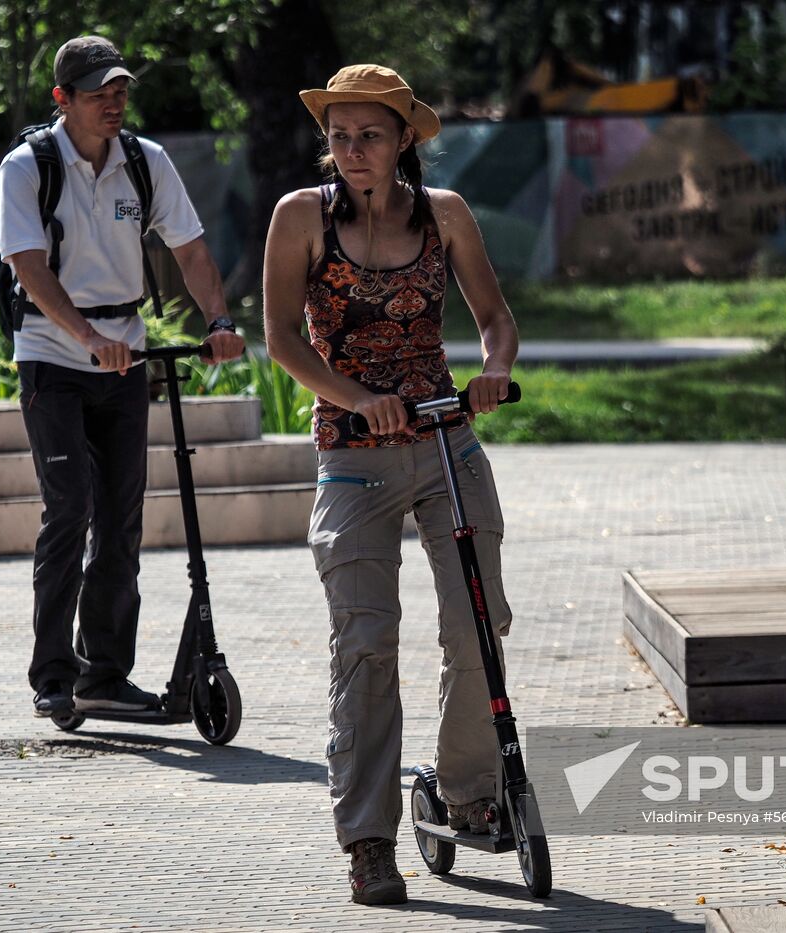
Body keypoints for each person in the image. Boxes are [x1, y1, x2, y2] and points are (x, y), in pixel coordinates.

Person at [262, 64, 519, 906]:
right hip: (351, 453)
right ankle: (369, 838)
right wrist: (359, 399)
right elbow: (282, 342)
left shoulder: (445, 216)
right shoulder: (299, 217)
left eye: (369, 135)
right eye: (338, 136)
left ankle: (467, 788)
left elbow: (494, 317)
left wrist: (494, 371)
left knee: (479, 626)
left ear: (405, 137)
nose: (351, 151)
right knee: (367, 643)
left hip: (447, 440)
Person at [0, 36, 245, 718]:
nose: (114, 101)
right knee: (70, 506)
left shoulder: (145, 162)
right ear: (63, 99)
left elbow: (190, 251)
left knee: (121, 518)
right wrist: (86, 337)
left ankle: (104, 670)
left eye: (120, 90)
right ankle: (53, 672)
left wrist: (218, 320)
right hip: (53, 353)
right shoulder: (28, 167)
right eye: (98, 92)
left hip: (126, 355)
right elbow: (29, 267)